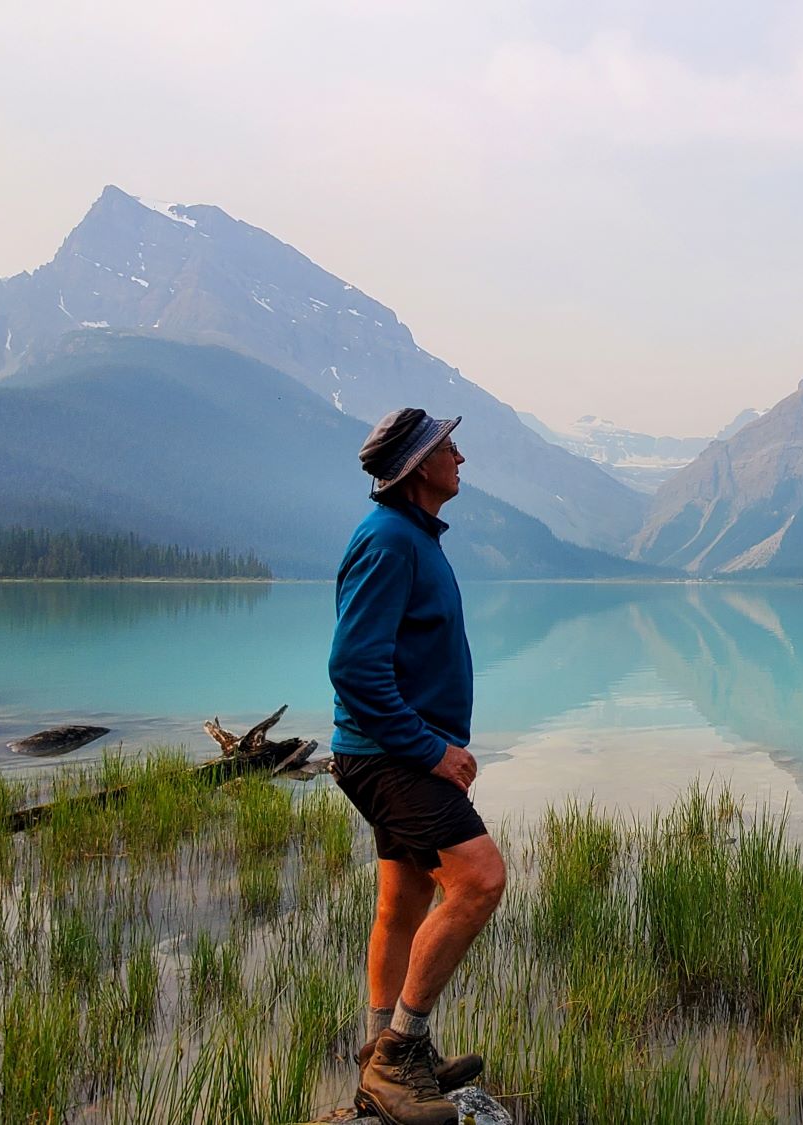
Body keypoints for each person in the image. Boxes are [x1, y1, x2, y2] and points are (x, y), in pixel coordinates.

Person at [328, 407, 505, 1125]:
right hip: (392, 756)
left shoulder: (411, 537)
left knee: (402, 903)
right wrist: (432, 749)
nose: (460, 457)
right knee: (480, 878)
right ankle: (401, 1054)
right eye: (448, 448)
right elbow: (354, 667)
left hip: (390, 750)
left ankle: (383, 1052)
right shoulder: (390, 541)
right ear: (417, 468)